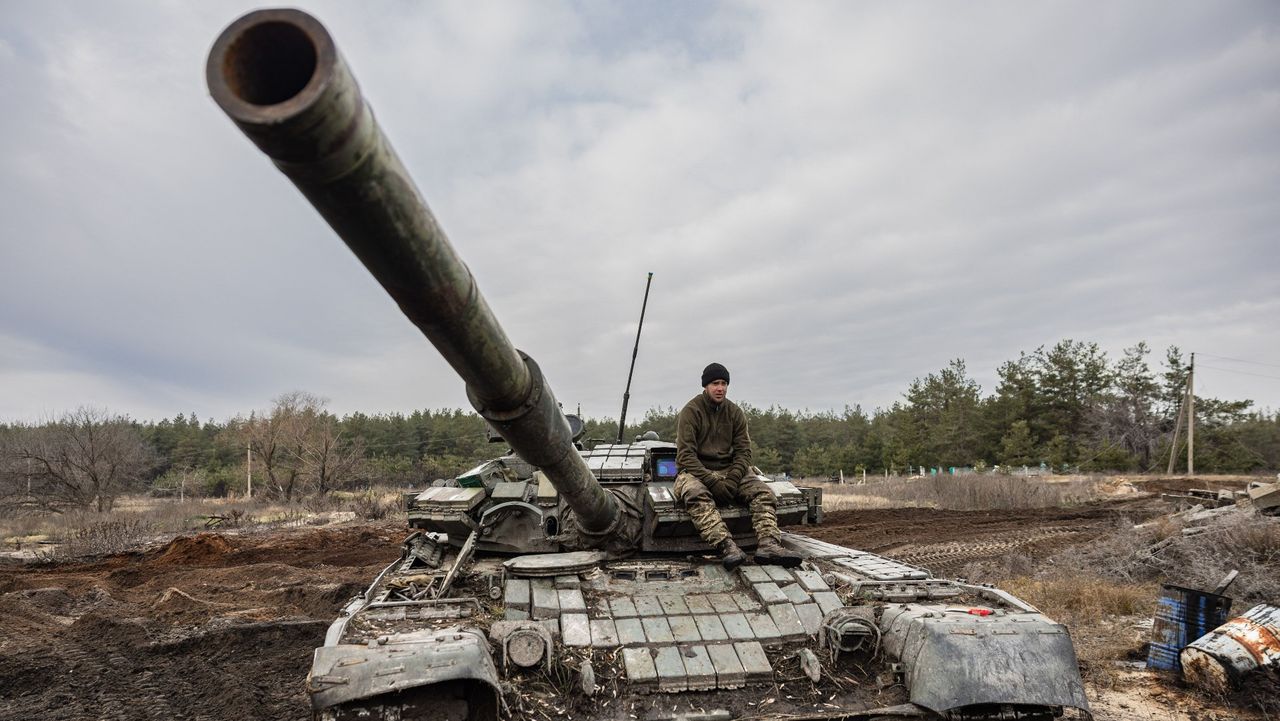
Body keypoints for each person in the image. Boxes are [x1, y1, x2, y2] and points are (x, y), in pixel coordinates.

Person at [673, 362, 798, 569]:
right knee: (695, 493)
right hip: (696, 471)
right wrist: (713, 482)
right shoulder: (691, 411)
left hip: (729, 470)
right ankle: (726, 546)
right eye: (715, 383)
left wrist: (732, 479)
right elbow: (686, 455)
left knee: (764, 492)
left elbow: (744, 452)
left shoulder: (734, 412)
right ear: (706, 386)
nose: (720, 388)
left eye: (723, 383)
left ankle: (768, 544)